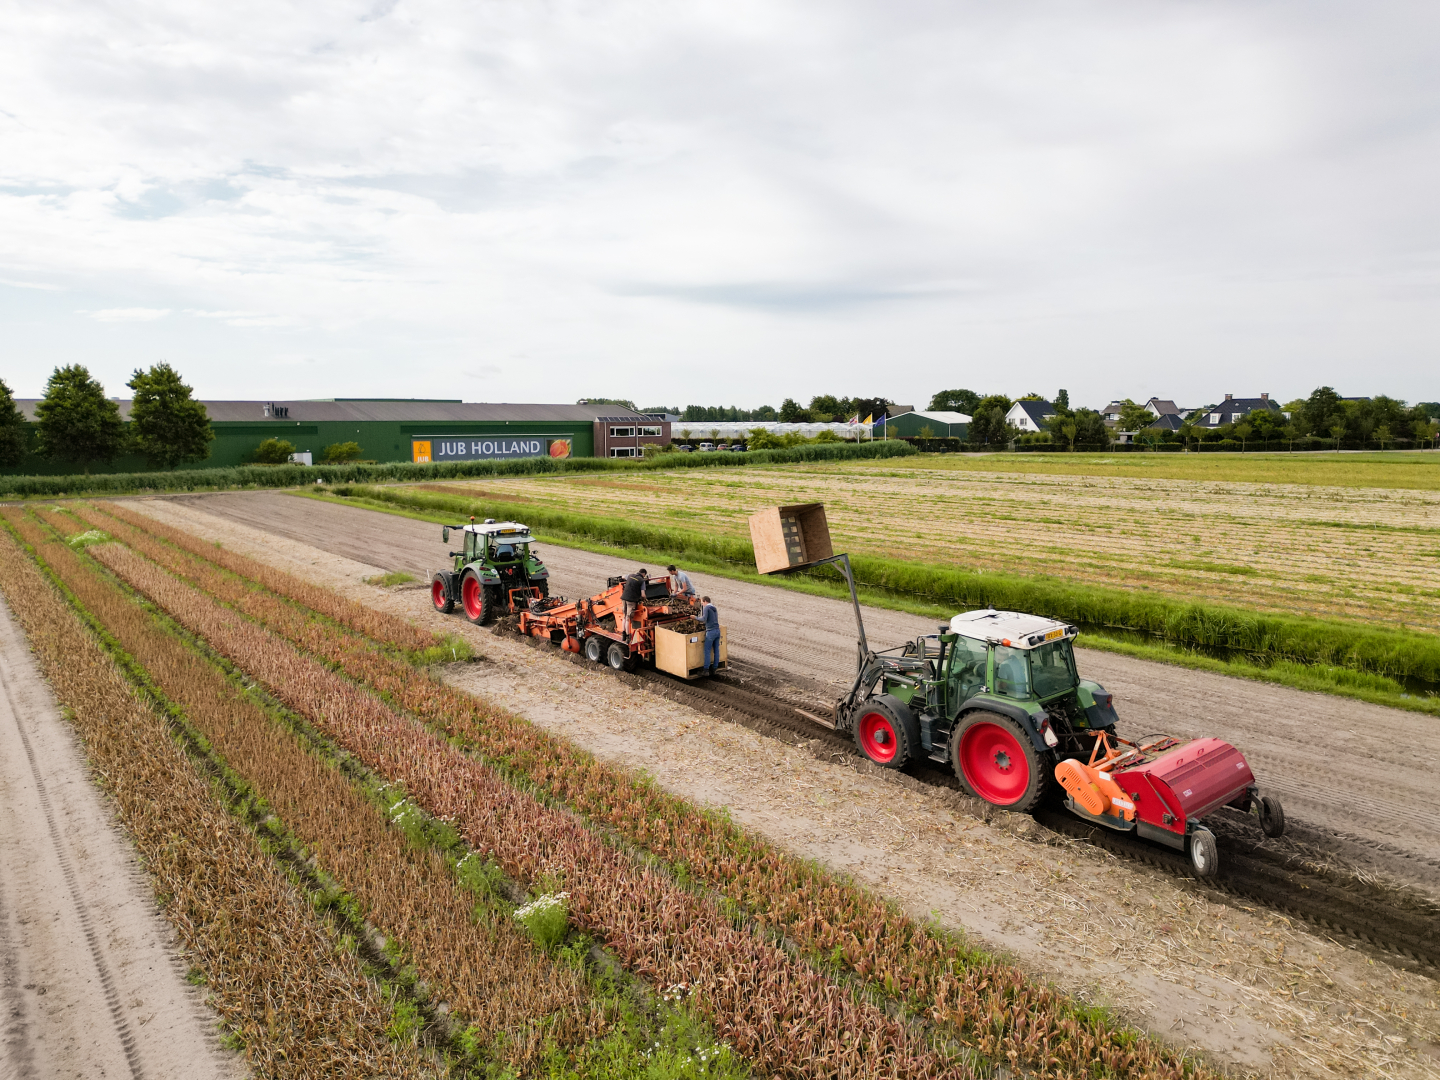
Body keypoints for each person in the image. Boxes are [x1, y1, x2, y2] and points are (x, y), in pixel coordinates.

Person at [699, 595, 722, 675]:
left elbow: (704, 619)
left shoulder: (707, 608)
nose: (702, 605)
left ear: (705, 601)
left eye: (702, 603)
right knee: (716, 650)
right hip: (717, 631)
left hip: (711, 632)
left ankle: (706, 670)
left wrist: (694, 617)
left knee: (707, 650)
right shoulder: (714, 608)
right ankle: (714, 668)